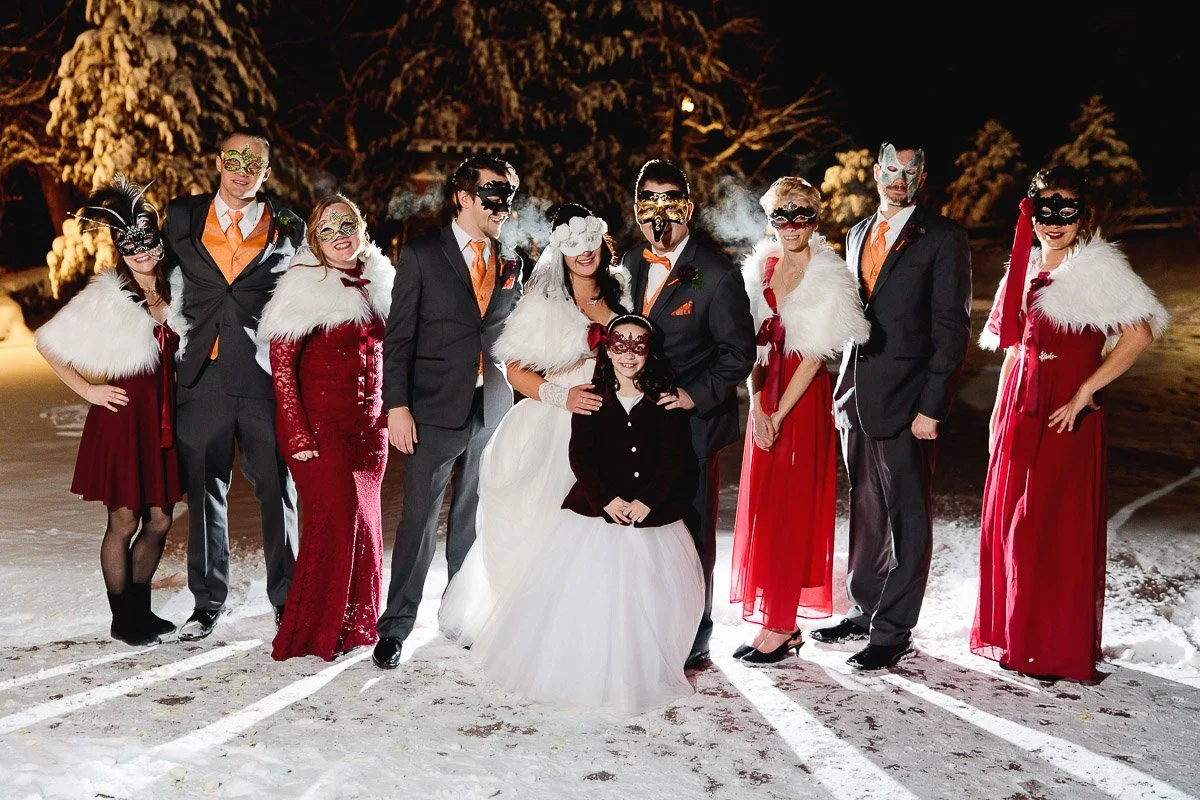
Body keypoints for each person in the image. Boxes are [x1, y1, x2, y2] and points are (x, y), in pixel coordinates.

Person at [972, 167, 1169, 682]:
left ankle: (1049, 646)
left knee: (1045, 526)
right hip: (1021, 406)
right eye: (1046, 211)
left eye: (1067, 211)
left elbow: (1139, 335)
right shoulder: (1025, 266)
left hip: (1067, 415)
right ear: (1031, 213)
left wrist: (1087, 390)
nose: (1055, 223)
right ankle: (1017, 634)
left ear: (1082, 216)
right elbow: (1017, 350)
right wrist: (997, 410)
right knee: (1009, 522)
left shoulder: (1099, 267)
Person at [472, 314, 704, 714]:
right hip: (594, 515)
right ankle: (587, 668)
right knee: (592, 597)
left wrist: (647, 501)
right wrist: (607, 500)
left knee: (645, 599)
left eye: (638, 346)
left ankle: (638, 670)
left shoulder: (666, 400)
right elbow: (582, 457)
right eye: (619, 345)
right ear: (607, 349)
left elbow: (674, 460)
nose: (628, 355)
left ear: (651, 351)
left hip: (652, 518)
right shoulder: (592, 398)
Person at [814, 142, 972, 670]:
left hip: (909, 400)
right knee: (866, 507)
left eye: (910, 171)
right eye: (890, 169)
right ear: (876, 173)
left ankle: (894, 629)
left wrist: (933, 405)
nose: (898, 179)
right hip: (856, 395)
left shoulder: (944, 238)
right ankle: (866, 606)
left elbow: (951, 330)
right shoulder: (857, 233)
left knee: (908, 513)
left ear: (922, 177)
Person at [438, 203, 625, 646]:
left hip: (611, 425)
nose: (584, 253)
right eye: (572, 244)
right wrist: (563, 396)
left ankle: (590, 624)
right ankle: (538, 627)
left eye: (590, 242)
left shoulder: (620, 293)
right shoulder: (543, 301)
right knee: (546, 525)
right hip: (554, 423)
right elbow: (516, 370)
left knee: (599, 530)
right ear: (559, 250)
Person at [375, 155, 524, 669]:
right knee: (418, 520)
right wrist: (396, 405)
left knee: (472, 519)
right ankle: (395, 626)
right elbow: (397, 341)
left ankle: (460, 617)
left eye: (509, 194)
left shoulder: (511, 261)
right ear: (463, 196)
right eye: (493, 194)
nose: (503, 205)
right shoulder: (421, 255)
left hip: (493, 405)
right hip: (433, 408)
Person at [165, 130, 306, 640]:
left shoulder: (290, 224)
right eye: (234, 159)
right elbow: (154, 273)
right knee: (204, 492)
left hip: (263, 376)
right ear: (218, 161)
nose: (242, 170)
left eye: (255, 163)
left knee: (278, 488)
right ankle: (207, 603)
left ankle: (288, 599)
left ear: (266, 173)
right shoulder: (180, 215)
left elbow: (307, 294)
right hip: (200, 375)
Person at [36, 177, 187, 645]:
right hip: (124, 421)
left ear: (160, 244)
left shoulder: (179, 289)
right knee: (123, 521)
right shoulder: (108, 296)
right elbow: (49, 344)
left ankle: (139, 608)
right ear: (120, 249)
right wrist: (91, 391)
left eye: (148, 242)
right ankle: (124, 618)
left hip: (165, 420)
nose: (142, 252)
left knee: (160, 518)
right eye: (131, 244)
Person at [621, 159, 756, 669]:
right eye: (648, 203)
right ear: (638, 211)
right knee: (641, 528)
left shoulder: (717, 274)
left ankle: (696, 631)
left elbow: (737, 354)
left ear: (689, 209)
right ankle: (644, 622)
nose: (661, 217)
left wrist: (692, 394)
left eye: (670, 203)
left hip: (691, 426)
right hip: (636, 426)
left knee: (691, 531)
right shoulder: (626, 266)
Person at [731, 178, 870, 664]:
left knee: (789, 508)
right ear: (769, 219)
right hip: (763, 395)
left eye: (802, 216)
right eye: (780, 217)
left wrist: (777, 413)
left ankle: (784, 623)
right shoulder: (761, 267)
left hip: (799, 401)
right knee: (765, 508)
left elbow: (812, 358)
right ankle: (775, 621)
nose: (791, 226)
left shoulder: (828, 273)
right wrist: (755, 405)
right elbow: (749, 344)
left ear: (816, 218)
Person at [257, 196, 394, 661]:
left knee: (368, 527)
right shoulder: (302, 285)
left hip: (369, 428)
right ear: (315, 238)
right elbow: (282, 366)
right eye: (329, 230)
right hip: (319, 427)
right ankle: (315, 631)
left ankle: (357, 626)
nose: (341, 237)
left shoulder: (380, 278)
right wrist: (296, 433)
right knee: (334, 524)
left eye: (348, 226)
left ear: (362, 227)